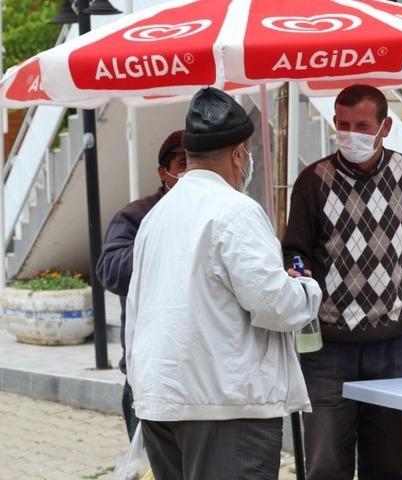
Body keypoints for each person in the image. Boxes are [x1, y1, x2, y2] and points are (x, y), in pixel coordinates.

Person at [125, 87, 322, 480]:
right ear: (238, 155)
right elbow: (275, 305)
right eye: (246, 154)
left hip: (160, 398)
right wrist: (305, 290)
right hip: (224, 405)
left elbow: (138, 306)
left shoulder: (157, 216)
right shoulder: (236, 210)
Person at [282, 84, 402, 480]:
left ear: (384, 126)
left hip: (393, 347)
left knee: (390, 465)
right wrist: (297, 272)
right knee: (325, 465)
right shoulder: (312, 182)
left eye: (362, 126)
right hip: (327, 349)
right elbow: (293, 250)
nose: (351, 134)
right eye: (343, 124)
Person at [96, 129, 186, 440]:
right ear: (164, 172)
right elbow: (111, 272)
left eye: (197, 165)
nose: (190, 174)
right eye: (182, 164)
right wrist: (163, 238)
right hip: (149, 376)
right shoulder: (136, 216)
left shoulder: (222, 212)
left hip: (204, 376)